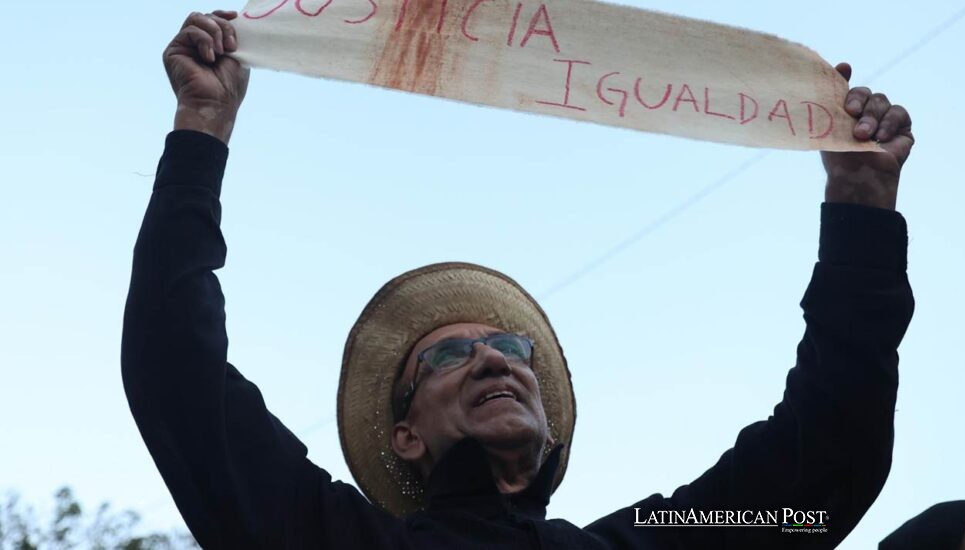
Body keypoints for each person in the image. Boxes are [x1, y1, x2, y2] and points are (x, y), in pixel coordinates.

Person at [121, 10, 916, 549]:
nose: (494, 358)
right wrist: (202, 129)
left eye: (507, 345)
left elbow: (826, 464)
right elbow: (173, 372)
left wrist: (862, 208)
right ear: (405, 435)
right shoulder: (328, 537)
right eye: (446, 355)